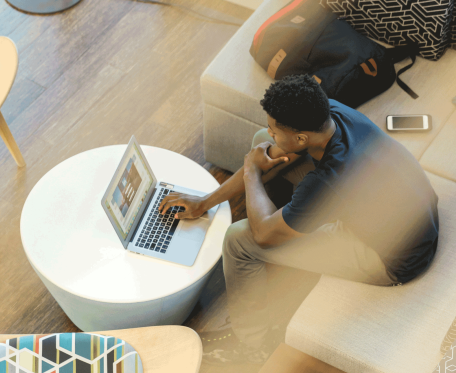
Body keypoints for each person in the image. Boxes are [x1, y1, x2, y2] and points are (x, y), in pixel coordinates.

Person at [158, 74, 439, 366]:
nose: (271, 132)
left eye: (275, 129)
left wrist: (252, 172)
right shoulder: (330, 113)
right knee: (260, 143)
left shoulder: (330, 178)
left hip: (391, 258)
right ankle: (288, 218)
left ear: (302, 138)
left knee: (239, 239)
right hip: (411, 214)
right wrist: (205, 202)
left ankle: (250, 343)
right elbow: (270, 150)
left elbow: (263, 234)